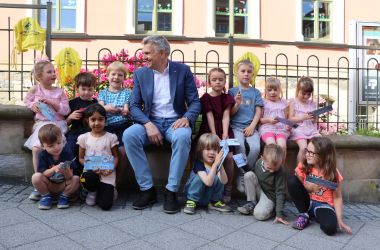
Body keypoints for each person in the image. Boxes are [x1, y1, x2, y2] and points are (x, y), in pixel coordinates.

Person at [122, 35, 201, 214]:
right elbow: (134, 106)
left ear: (162, 53)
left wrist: (187, 118)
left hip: (175, 122)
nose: (144, 57)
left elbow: (195, 102)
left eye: (148, 53)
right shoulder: (141, 73)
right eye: (143, 53)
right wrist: (148, 124)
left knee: (182, 137)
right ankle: (147, 189)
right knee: (129, 135)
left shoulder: (182, 71)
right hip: (151, 121)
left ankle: (171, 190)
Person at [24, 60, 71, 201]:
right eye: (49, 72)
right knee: (37, 148)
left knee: (59, 145)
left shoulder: (59, 92)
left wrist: (53, 103)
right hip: (42, 124)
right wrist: (33, 105)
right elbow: (26, 102)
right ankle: (39, 182)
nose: (53, 74)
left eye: (53, 71)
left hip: (57, 123)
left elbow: (66, 110)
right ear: (39, 76)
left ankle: (61, 178)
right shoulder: (35, 90)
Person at [287, 137, 352, 235]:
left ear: (323, 155)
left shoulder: (333, 174)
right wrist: (309, 188)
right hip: (308, 202)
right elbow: (299, 185)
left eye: (311, 153)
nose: (307, 154)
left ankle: (316, 215)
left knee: (330, 228)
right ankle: (304, 215)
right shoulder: (303, 166)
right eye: (307, 151)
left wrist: (339, 219)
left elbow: (337, 197)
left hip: (323, 205)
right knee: (292, 181)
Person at [197, 68, 235, 203]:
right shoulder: (206, 98)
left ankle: (228, 188)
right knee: (207, 157)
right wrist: (214, 134)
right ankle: (206, 186)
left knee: (229, 157)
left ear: (225, 81)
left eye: (221, 79)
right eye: (214, 80)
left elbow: (226, 116)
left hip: (224, 129)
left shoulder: (227, 97)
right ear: (209, 82)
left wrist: (224, 133)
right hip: (209, 129)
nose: (218, 82)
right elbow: (209, 116)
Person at [228, 55, 263, 194]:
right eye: (243, 71)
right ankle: (242, 176)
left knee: (255, 148)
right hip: (235, 127)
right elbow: (230, 113)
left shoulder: (255, 92)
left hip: (251, 127)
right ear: (237, 73)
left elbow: (258, 111)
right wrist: (236, 103)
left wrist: (252, 127)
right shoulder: (232, 91)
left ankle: (244, 172)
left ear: (252, 74)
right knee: (240, 146)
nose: (246, 74)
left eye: (249, 72)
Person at [77, 104, 119, 211]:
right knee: (86, 178)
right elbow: (81, 158)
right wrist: (90, 167)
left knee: (105, 205)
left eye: (100, 119)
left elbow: (116, 156)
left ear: (105, 120)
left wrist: (111, 168)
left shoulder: (111, 137)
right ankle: (92, 190)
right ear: (88, 121)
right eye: (93, 119)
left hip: (107, 173)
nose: (97, 123)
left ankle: (108, 190)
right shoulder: (83, 138)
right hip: (90, 172)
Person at [98, 61, 132, 187]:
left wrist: (125, 111)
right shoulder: (103, 93)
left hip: (123, 125)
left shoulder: (127, 92)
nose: (116, 77)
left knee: (122, 151)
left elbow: (127, 108)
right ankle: (105, 178)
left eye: (120, 75)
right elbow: (100, 109)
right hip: (108, 127)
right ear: (107, 76)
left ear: (124, 78)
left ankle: (119, 179)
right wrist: (106, 108)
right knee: (105, 149)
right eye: (113, 74)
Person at [31, 124, 80, 210]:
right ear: (43, 146)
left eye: (58, 143)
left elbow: (70, 176)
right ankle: (46, 196)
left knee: (76, 179)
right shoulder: (43, 155)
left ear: (63, 140)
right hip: (49, 185)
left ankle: (64, 196)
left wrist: (66, 171)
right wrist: (54, 169)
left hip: (63, 185)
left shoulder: (67, 153)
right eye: (51, 146)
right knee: (36, 177)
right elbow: (44, 173)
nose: (56, 147)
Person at [237, 144, 288, 224]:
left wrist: (279, 213)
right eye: (269, 168)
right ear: (262, 159)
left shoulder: (280, 172)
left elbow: (280, 192)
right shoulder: (259, 162)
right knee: (249, 175)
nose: (272, 171)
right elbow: (253, 172)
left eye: (276, 168)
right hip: (260, 189)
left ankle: (272, 211)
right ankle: (251, 203)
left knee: (259, 215)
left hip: (270, 197)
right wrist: (244, 165)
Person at [183, 133, 232, 214]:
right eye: (208, 149)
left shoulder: (216, 163)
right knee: (199, 178)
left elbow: (224, 181)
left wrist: (220, 164)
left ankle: (214, 202)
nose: (212, 152)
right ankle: (191, 202)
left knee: (218, 178)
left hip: (207, 197)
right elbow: (208, 182)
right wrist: (215, 165)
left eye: (215, 149)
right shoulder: (199, 163)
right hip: (194, 195)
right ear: (200, 151)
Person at [65, 72, 98, 176]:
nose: (86, 92)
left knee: (92, 151)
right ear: (77, 89)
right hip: (75, 133)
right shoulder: (72, 103)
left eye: (90, 89)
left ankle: (89, 175)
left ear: (94, 89)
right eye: (83, 89)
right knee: (69, 149)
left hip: (90, 133)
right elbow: (65, 122)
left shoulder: (95, 103)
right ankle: (74, 173)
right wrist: (70, 117)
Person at [288, 76, 321, 163]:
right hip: (298, 129)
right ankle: (299, 171)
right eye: (303, 94)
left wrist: (314, 117)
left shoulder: (312, 104)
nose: (306, 96)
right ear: (298, 90)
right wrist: (303, 117)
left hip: (311, 129)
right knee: (303, 148)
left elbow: (314, 122)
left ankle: (314, 169)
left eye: (309, 94)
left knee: (320, 145)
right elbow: (290, 119)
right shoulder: (293, 102)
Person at [259, 77, 289, 163]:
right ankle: (269, 165)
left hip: (281, 129)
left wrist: (288, 125)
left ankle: (280, 168)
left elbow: (287, 118)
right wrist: (269, 120)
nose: (272, 92)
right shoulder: (263, 102)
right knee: (271, 145)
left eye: (275, 90)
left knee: (282, 146)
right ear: (266, 91)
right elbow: (260, 120)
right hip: (267, 128)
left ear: (280, 90)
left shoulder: (283, 103)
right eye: (269, 90)